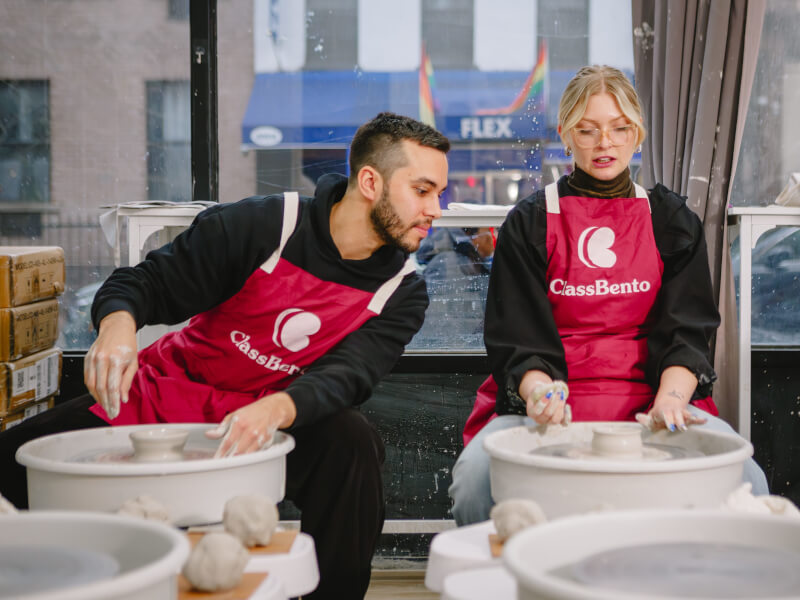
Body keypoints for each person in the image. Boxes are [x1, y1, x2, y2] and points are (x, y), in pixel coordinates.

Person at [0, 112, 450, 599]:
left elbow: (348, 376)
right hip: (169, 392)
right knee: (13, 462)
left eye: (439, 194)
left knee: (352, 443)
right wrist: (117, 326)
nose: (436, 210)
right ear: (370, 182)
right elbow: (145, 283)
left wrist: (275, 409)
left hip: (273, 415)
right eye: (422, 191)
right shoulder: (267, 225)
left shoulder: (401, 291)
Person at [448, 65, 769, 526]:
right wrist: (540, 396)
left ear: (637, 134)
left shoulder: (671, 221)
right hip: (552, 404)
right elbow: (518, 340)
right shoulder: (530, 222)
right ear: (566, 134)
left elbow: (688, 334)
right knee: (475, 483)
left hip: (653, 402)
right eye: (587, 130)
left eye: (619, 128)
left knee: (749, 483)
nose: (605, 143)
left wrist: (672, 399)